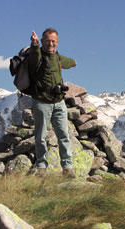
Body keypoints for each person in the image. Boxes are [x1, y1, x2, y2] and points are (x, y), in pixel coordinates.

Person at [28, 28, 77, 178]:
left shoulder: (57, 57)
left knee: (64, 135)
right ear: (42, 41)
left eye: (53, 41)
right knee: (41, 136)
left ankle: (67, 167)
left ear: (57, 42)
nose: (50, 43)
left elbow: (69, 62)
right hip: (41, 103)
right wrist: (35, 45)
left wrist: (73, 62)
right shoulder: (37, 55)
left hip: (59, 102)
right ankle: (41, 166)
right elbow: (34, 59)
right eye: (48, 40)